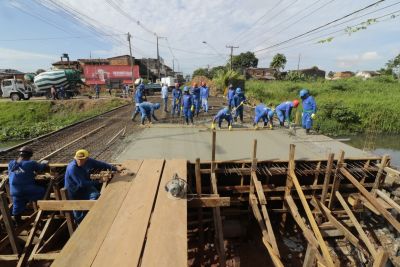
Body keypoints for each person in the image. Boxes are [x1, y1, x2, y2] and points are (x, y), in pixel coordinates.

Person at [64, 149, 122, 223]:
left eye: (82, 160)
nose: (80, 161)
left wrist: (115, 168)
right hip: (74, 192)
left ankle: (90, 215)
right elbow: (82, 183)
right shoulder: (72, 168)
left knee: (96, 196)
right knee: (78, 213)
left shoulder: (89, 161)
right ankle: (80, 224)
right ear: (75, 158)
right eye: (78, 159)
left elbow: (101, 164)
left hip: (85, 188)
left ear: (87, 159)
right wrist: (100, 181)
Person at [8, 146, 49, 225]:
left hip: (14, 191)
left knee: (17, 204)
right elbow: (40, 168)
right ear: (30, 155)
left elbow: (18, 172)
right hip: (27, 189)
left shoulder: (11, 163)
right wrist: (44, 164)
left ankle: (18, 222)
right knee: (43, 190)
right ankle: (43, 208)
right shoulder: (31, 163)